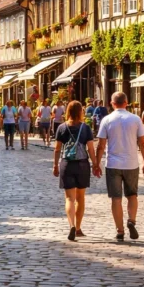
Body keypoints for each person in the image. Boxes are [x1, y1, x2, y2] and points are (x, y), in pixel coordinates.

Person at [93, 92, 144, 242]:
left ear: (112, 103)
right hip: (131, 163)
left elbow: (101, 145)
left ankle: (120, 231)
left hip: (113, 164)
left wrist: (97, 164)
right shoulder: (135, 119)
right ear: (126, 102)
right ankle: (131, 220)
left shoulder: (107, 119)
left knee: (116, 198)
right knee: (132, 195)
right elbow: (143, 143)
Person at [54, 100, 95, 242]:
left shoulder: (62, 128)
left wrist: (55, 165)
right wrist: (95, 164)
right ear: (80, 112)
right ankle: (78, 228)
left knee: (69, 198)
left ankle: (71, 224)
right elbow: (90, 148)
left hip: (67, 164)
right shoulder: (86, 128)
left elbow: (57, 149)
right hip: (82, 164)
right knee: (80, 198)